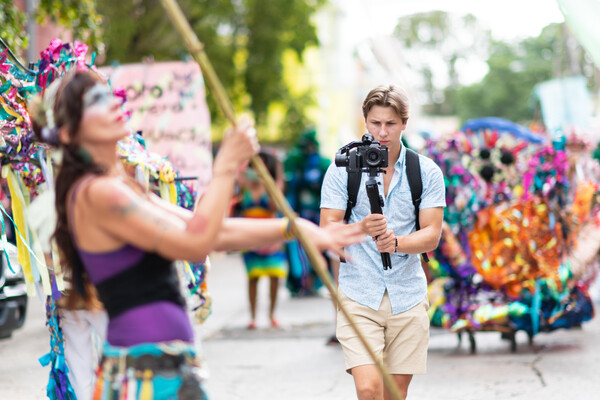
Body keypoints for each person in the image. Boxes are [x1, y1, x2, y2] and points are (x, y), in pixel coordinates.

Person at [30, 70, 364, 400]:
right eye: (96, 100)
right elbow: (195, 243)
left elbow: (208, 230)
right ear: (71, 133)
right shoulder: (98, 193)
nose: (113, 102)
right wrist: (224, 168)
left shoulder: (117, 187)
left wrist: (297, 229)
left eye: (108, 93)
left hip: (164, 367)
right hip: (145, 373)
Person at [320, 84, 446, 400]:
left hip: (408, 294)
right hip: (358, 292)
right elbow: (327, 230)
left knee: (393, 393)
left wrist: (396, 242)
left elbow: (431, 234)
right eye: (375, 123)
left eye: (390, 124)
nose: (382, 132)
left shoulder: (426, 172)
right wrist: (361, 228)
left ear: (405, 123)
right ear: (365, 122)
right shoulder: (341, 172)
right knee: (368, 389)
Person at [232, 150, 287, 329]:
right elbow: (236, 174)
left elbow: (275, 207)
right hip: (249, 236)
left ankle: (272, 315)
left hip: (271, 236)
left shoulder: (272, 186)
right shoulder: (245, 185)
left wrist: (271, 179)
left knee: (274, 277)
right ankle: (253, 317)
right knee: (252, 277)